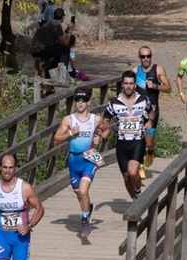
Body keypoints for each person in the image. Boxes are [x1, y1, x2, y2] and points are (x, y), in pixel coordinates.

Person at [53, 88, 104, 236]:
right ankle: (88, 208)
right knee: (80, 195)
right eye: (78, 100)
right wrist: (70, 133)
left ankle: (85, 221)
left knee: (83, 191)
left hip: (88, 159)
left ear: (89, 102)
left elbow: (105, 130)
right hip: (74, 160)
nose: (80, 103)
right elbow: (56, 140)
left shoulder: (96, 119)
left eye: (83, 100)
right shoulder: (68, 120)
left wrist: (99, 138)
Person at [98, 70, 154, 201]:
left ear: (135, 85)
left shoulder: (143, 100)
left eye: (131, 84)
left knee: (133, 171)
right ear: (122, 85)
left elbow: (151, 112)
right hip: (122, 143)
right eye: (126, 83)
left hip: (137, 141)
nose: (128, 86)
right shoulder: (114, 103)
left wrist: (150, 121)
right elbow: (105, 120)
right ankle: (135, 202)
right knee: (126, 176)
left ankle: (138, 192)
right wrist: (101, 132)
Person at [133, 46, 171, 178]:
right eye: (143, 56)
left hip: (153, 111)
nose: (146, 59)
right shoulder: (135, 71)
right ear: (139, 58)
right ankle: (140, 165)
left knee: (149, 141)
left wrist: (155, 86)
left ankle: (150, 152)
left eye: (148, 56)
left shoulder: (158, 69)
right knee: (138, 138)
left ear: (151, 56)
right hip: (138, 111)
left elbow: (168, 88)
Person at [31, 8, 75, 78]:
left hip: (36, 49)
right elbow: (65, 43)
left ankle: (52, 70)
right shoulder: (56, 25)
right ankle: (62, 73)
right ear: (63, 17)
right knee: (65, 49)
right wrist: (70, 31)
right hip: (41, 50)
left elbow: (60, 38)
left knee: (58, 48)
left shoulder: (50, 22)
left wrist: (67, 29)